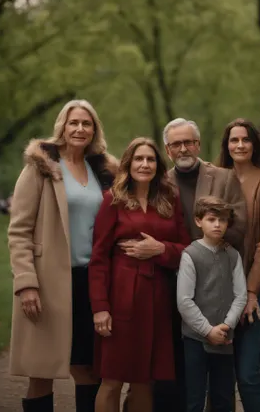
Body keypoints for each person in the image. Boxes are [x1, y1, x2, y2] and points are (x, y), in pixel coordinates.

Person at [8, 100, 118, 412]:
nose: (80, 129)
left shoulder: (103, 171)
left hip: (92, 282)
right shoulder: (39, 168)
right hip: (48, 282)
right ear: (62, 127)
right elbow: (19, 231)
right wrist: (26, 283)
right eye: (74, 123)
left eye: (87, 124)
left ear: (94, 129)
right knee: (42, 372)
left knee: (88, 369)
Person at [89, 137, 191, 412]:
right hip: (120, 299)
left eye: (150, 159)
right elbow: (98, 259)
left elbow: (187, 251)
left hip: (158, 301)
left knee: (146, 381)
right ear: (128, 164)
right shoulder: (113, 200)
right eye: (139, 159)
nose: (144, 164)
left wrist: (160, 249)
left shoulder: (169, 200)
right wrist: (100, 308)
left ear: (158, 165)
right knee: (112, 379)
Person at [218, 118, 260, 412]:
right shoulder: (217, 178)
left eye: (245, 140)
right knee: (220, 375)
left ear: (254, 144)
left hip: (257, 286)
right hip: (218, 288)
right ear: (226, 145)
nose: (240, 145)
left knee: (248, 372)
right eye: (234, 140)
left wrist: (252, 291)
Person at [177, 196, 247, 412]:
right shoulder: (190, 255)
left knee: (224, 397)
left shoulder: (233, 256)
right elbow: (184, 300)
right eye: (211, 219)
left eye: (223, 220)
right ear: (199, 221)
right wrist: (208, 330)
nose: (218, 224)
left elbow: (241, 295)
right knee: (195, 397)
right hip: (195, 339)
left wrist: (227, 326)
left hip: (225, 338)